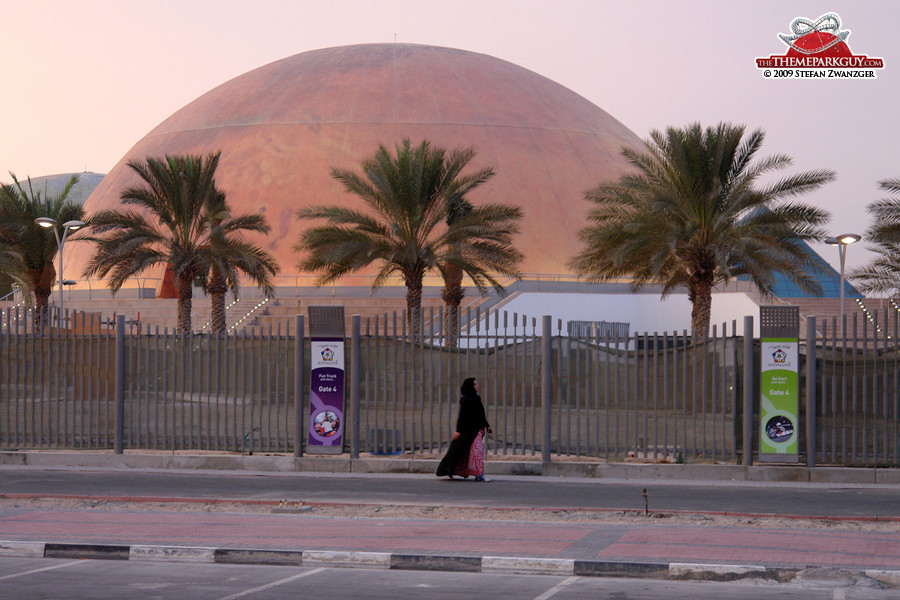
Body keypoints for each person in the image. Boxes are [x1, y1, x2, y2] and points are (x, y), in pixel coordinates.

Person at [436, 377, 492, 482]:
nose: (477, 386)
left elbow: (481, 414)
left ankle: (478, 474)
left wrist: (487, 425)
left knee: (477, 452)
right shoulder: (466, 400)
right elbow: (462, 416)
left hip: (477, 430)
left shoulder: (477, 398)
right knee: (470, 451)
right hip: (468, 431)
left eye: (477, 384)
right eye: (475, 384)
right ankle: (477, 475)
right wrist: (458, 430)